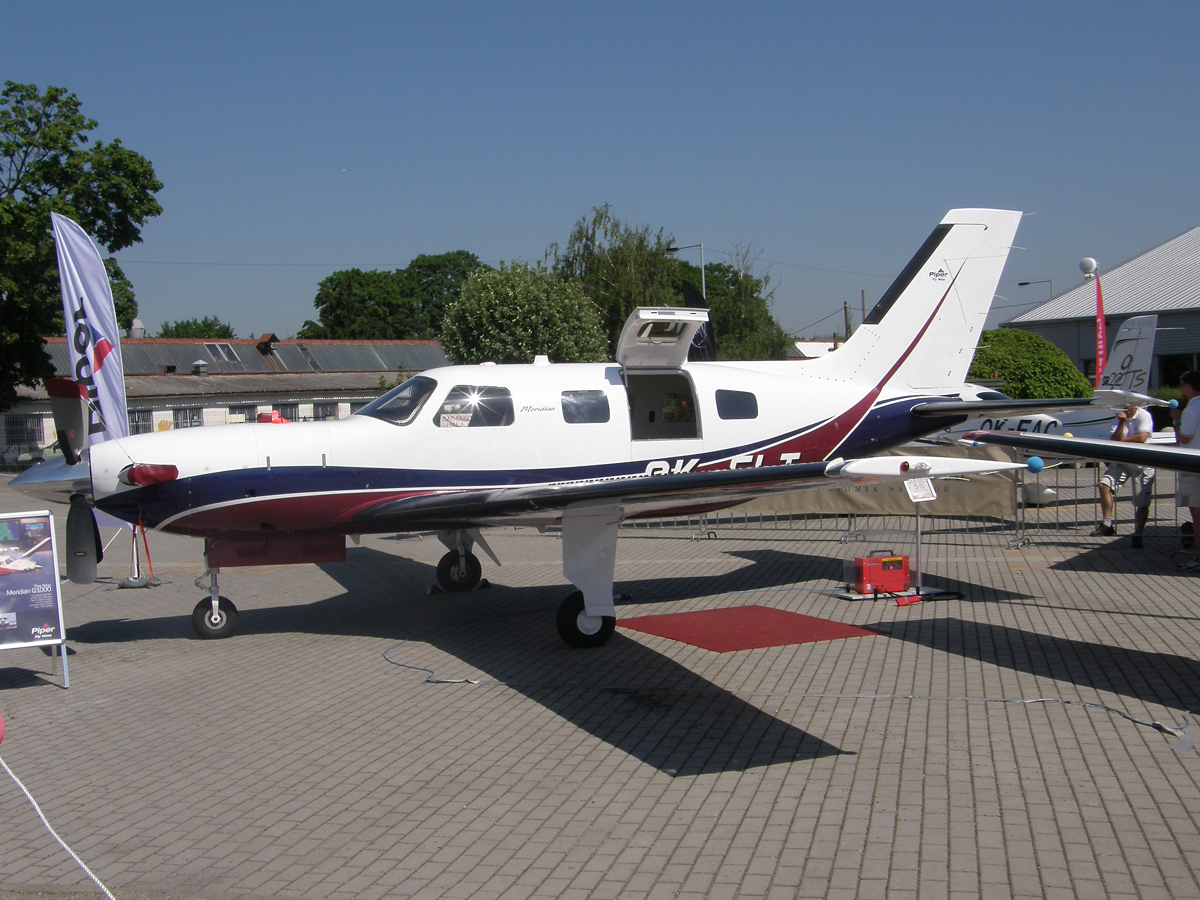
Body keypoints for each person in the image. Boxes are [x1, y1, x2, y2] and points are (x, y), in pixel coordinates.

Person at [1090, 404, 1155, 546]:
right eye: (1125, 407)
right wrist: (1122, 422)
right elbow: (1115, 437)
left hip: (1142, 462)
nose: (1127, 410)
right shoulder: (1119, 418)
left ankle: (1138, 533)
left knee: (1141, 501)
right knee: (1104, 485)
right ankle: (1107, 524)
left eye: (1130, 407)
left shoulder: (1144, 415)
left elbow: (1142, 438)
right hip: (1123, 461)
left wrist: (1121, 442)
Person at [1175, 371, 1200, 548]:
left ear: (1188, 386)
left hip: (1193, 469)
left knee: (1197, 516)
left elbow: (1184, 438)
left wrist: (1176, 421)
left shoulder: (1191, 410)